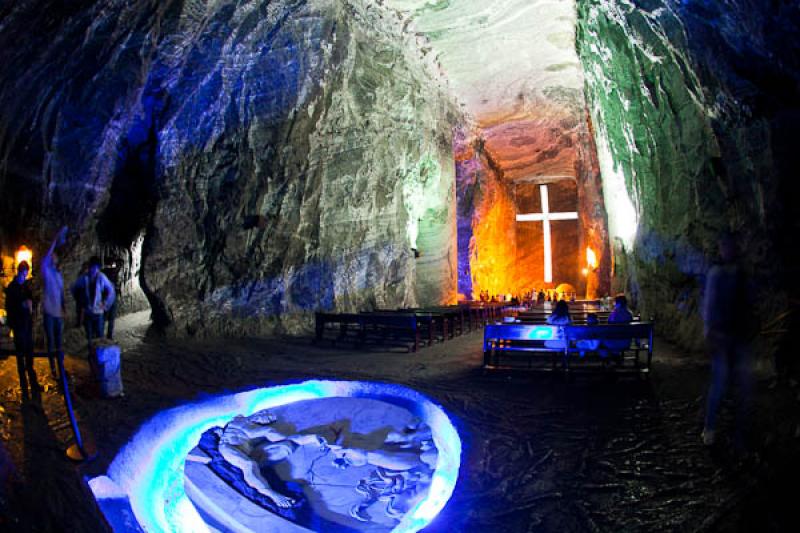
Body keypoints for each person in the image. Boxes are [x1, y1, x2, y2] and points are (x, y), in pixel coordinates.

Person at [701, 232, 755, 448]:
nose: (728, 250)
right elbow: (709, 304)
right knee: (721, 384)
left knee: (743, 386)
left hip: (738, 335)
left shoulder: (741, 273)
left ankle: (740, 431)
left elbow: (748, 301)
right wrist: (710, 331)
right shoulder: (717, 273)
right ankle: (711, 427)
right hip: (723, 336)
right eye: (725, 246)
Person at [216, 410, 327, 508]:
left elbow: (283, 438)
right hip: (229, 447)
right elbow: (250, 432)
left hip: (248, 450)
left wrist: (311, 438)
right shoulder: (241, 419)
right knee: (249, 465)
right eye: (267, 416)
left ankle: (259, 478)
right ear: (259, 413)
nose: (267, 419)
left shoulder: (258, 428)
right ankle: (273, 495)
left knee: (287, 446)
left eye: (269, 419)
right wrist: (267, 431)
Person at [4, 261, 36, 399]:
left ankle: (30, 370)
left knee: (29, 348)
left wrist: (30, 305)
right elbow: (9, 307)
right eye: (24, 273)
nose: (25, 276)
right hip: (18, 324)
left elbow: (31, 299)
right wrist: (21, 306)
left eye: (26, 274)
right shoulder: (12, 288)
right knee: (20, 350)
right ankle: (23, 377)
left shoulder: (25, 287)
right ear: (20, 272)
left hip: (27, 323)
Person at [72, 256, 115, 350]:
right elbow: (74, 287)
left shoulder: (101, 277)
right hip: (88, 311)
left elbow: (111, 290)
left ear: (98, 268)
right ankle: (92, 356)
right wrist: (79, 301)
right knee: (89, 337)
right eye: (92, 267)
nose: (93, 270)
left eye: (95, 268)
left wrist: (105, 303)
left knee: (99, 336)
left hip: (98, 312)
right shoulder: (84, 278)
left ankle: (99, 355)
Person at [41, 227, 68, 376]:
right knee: (51, 341)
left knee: (58, 341)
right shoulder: (47, 271)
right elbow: (47, 256)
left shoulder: (58, 275)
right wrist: (55, 239)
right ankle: (53, 369)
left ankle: (60, 366)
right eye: (53, 257)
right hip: (49, 313)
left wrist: (64, 307)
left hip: (58, 313)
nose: (54, 258)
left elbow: (62, 292)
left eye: (55, 257)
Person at [102, 259, 121, 340]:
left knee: (109, 318)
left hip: (111, 297)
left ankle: (107, 335)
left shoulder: (112, 273)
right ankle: (105, 335)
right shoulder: (108, 272)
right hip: (108, 298)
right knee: (108, 317)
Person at [70, 262, 88, 328]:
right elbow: (75, 286)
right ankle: (79, 323)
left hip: (83, 295)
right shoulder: (81, 275)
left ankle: (81, 323)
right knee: (80, 310)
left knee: (82, 310)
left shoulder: (87, 275)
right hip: (81, 295)